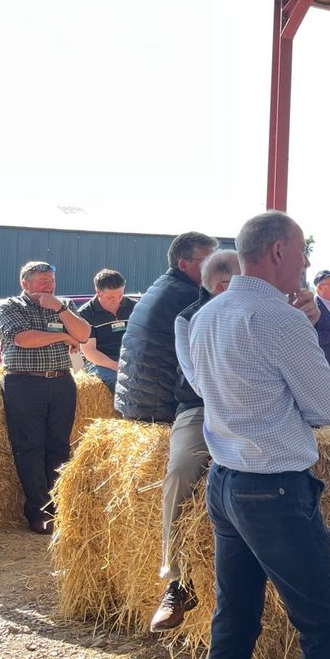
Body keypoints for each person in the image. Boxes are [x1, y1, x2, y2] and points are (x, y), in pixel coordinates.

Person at [188, 211, 330, 659]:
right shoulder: (281, 319)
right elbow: (327, 409)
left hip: (225, 479)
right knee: (325, 623)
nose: (306, 264)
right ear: (279, 251)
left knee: (234, 619)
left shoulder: (207, 314)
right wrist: (310, 332)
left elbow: (204, 390)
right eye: (302, 252)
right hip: (273, 487)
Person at [150, 249, 241, 633]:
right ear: (222, 286)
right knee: (181, 469)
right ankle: (177, 581)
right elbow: (201, 383)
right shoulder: (188, 319)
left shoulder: (262, 311)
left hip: (255, 408)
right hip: (202, 408)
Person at [0, 261, 91, 534]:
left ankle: (58, 507)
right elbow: (23, 339)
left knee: (59, 446)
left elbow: (83, 334)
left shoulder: (64, 305)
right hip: (25, 382)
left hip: (61, 382)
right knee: (30, 447)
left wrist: (59, 309)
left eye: (51, 280)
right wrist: (62, 336)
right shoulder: (12, 306)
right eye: (42, 281)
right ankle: (38, 512)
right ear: (25, 283)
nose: (49, 286)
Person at [115, 231, 218, 423]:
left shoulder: (162, 286)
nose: (214, 267)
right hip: (157, 406)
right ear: (183, 264)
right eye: (207, 261)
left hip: (137, 398)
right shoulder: (188, 296)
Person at [77, 268, 136, 393]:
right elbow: (90, 352)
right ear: (98, 293)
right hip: (101, 361)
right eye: (110, 297)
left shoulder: (135, 307)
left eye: (120, 295)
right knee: (120, 382)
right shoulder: (85, 313)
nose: (117, 300)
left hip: (131, 358)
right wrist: (117, 366)